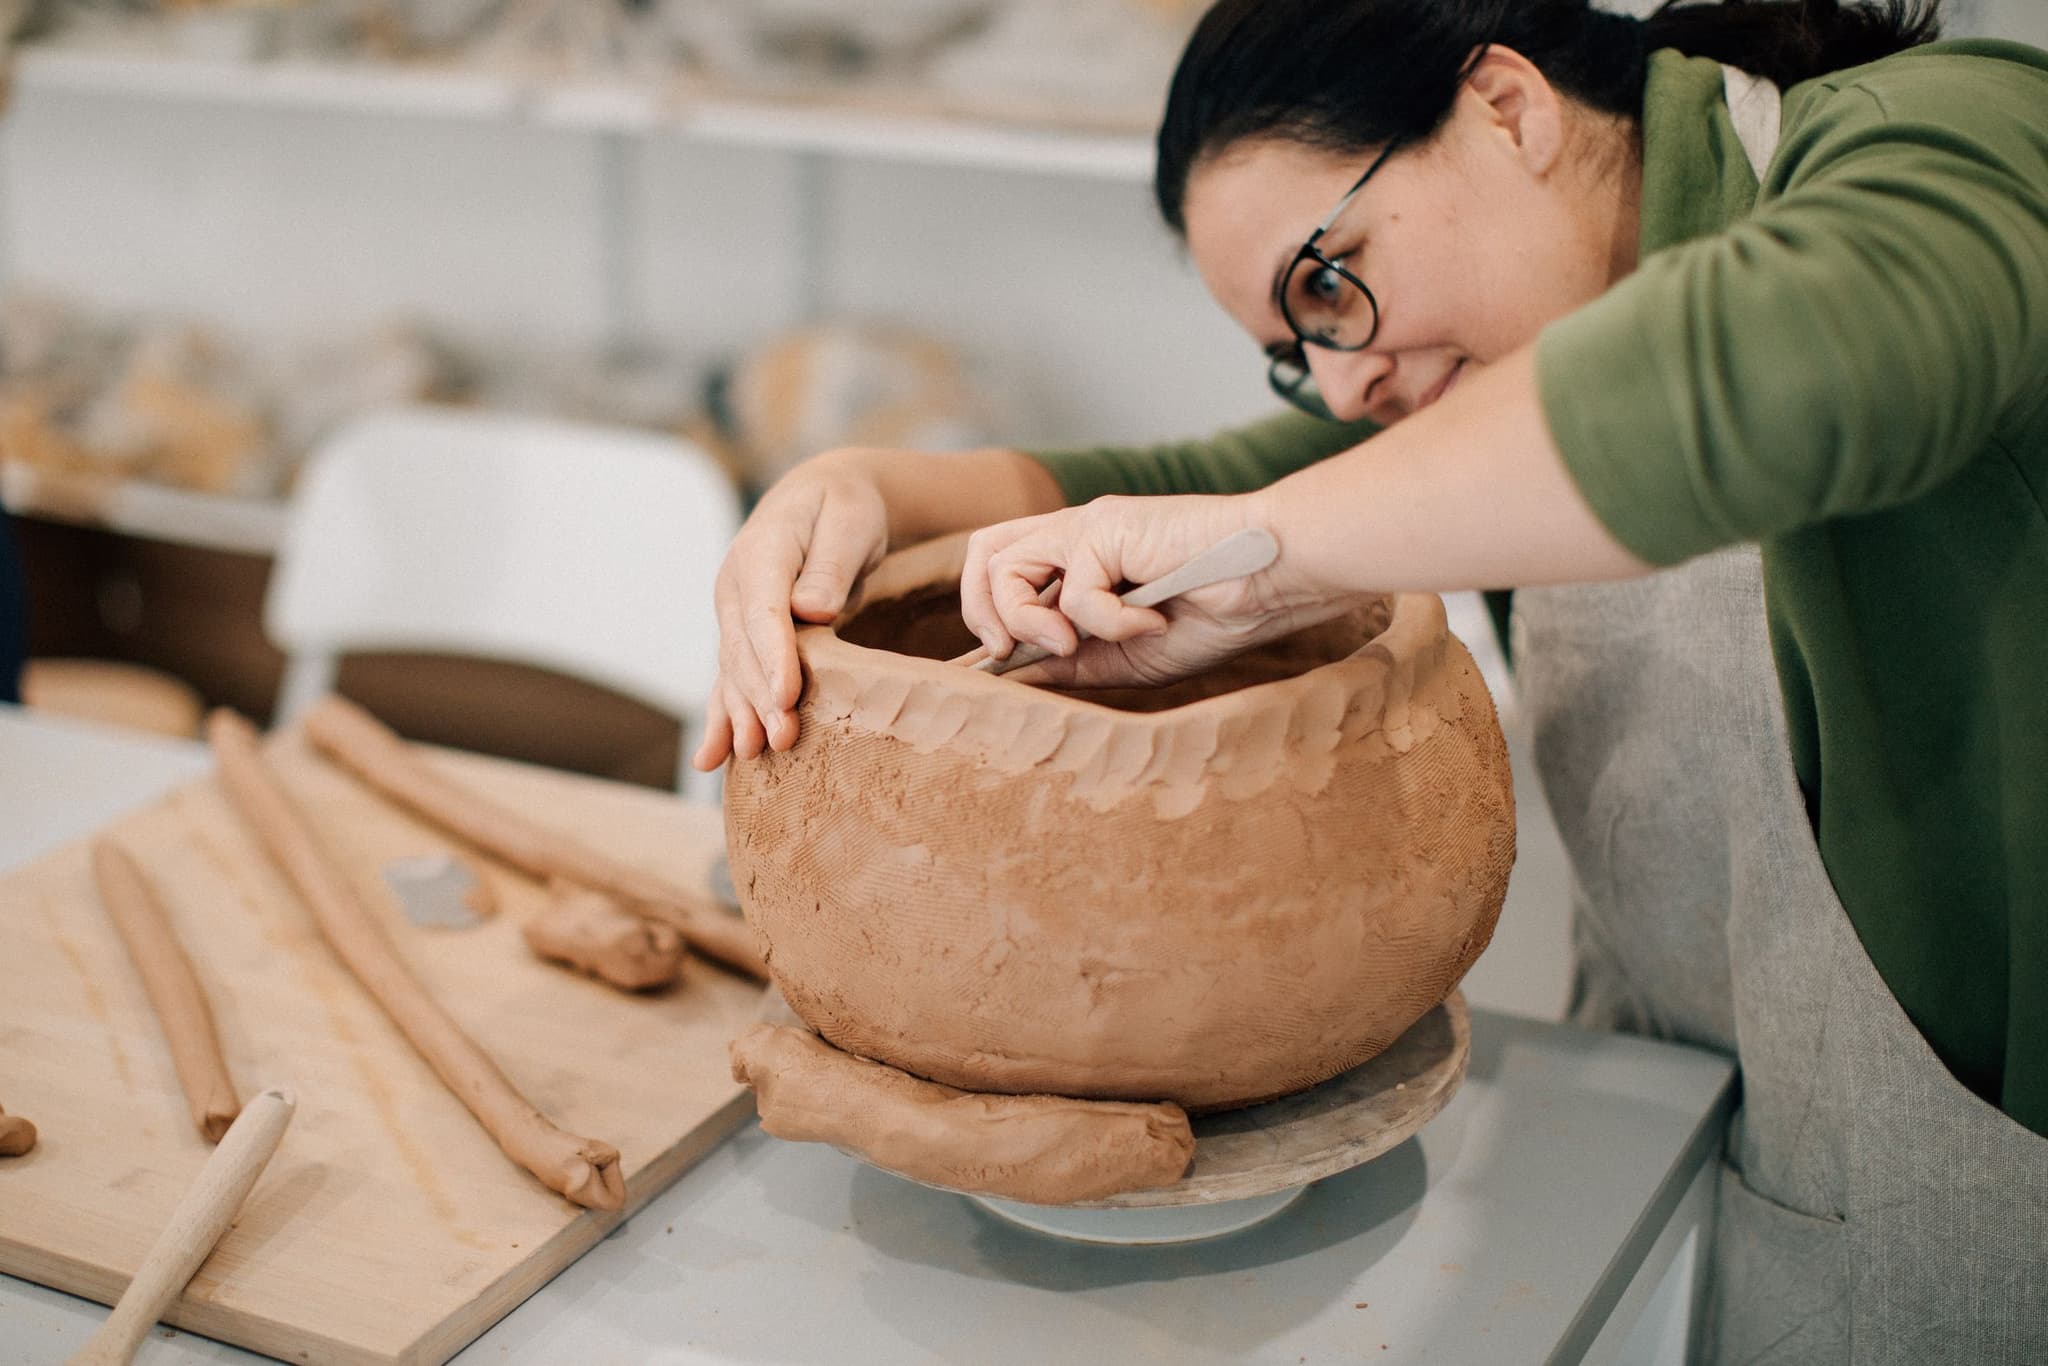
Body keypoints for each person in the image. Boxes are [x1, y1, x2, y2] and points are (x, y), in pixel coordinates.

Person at [697, 2, 2047, 1359]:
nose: (1343, 395)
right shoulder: (1498, 353)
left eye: (1330, 286)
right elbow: (1193, 482)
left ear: (1507, 107)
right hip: (1677, 1137)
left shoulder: (1962, 132)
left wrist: (1272, 557)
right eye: (1301, 351)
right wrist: (855, 488)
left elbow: (1785, 364)